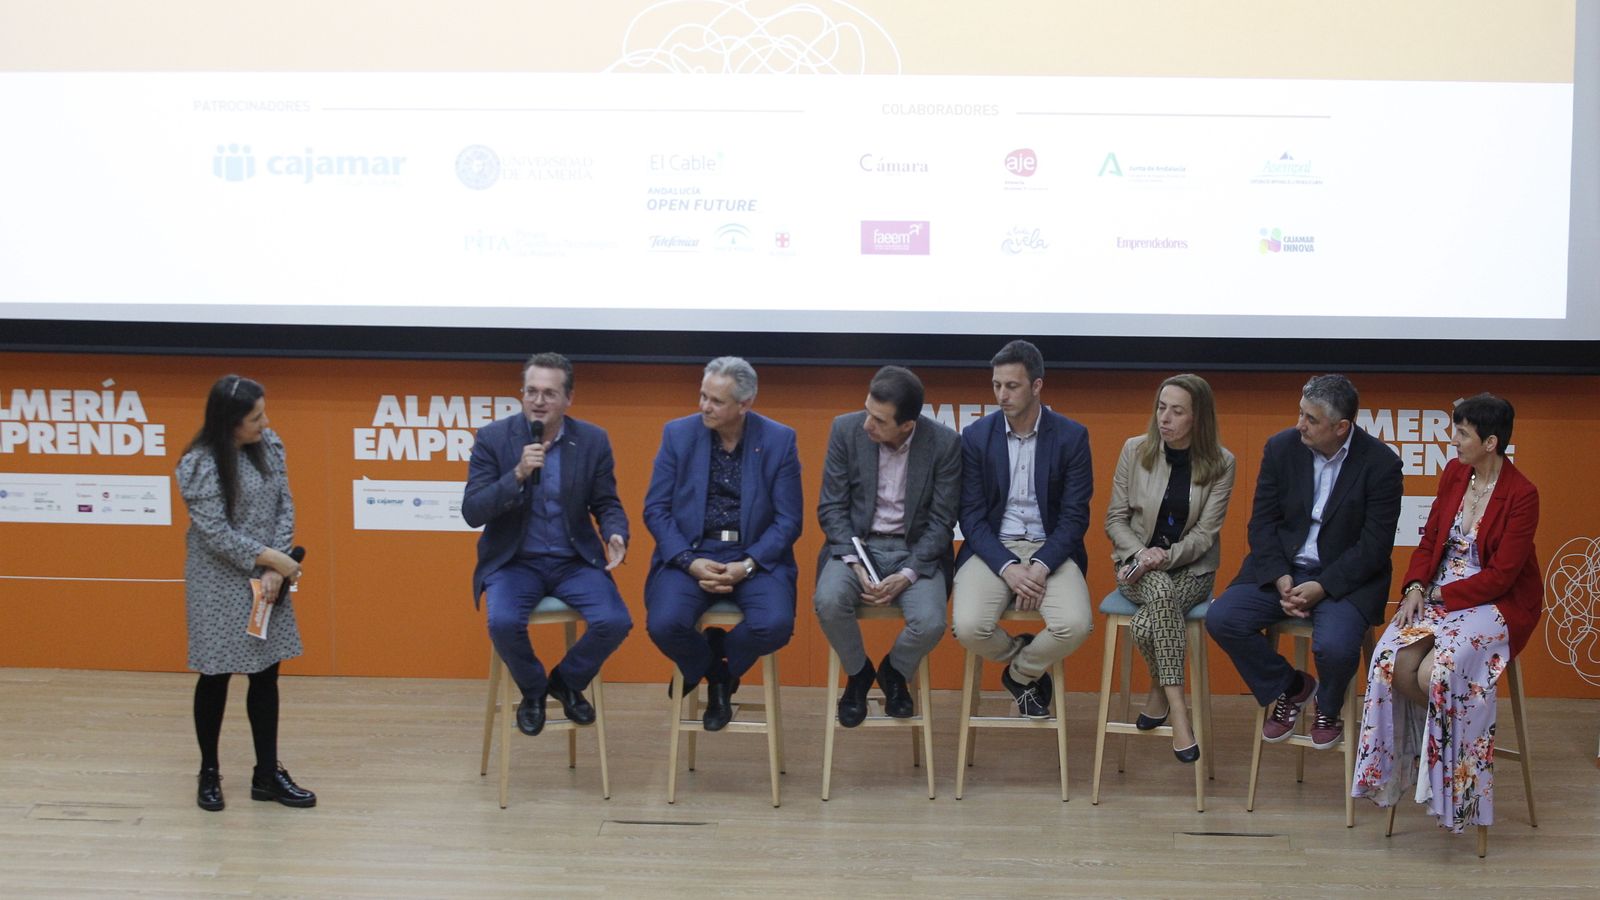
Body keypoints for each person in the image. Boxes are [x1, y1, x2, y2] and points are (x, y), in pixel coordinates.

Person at [1353, 393, 1541, 833]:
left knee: (1438, 674)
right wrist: (1416, 586)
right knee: (1389, 661)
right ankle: (1433, 752)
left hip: (1496, 601)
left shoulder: (1522, 494)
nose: (1453, 440)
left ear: (1490, 442)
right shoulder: (1455, 474)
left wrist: (1441, 596)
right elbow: (1429, 539)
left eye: (1462, 433)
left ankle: (1455, 768)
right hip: (1439, 590)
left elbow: (1503, 575)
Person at [1207, 374, 1403, 751]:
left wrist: (1323, 587)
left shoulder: (1381, 465)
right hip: (1283, 568)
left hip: (1344, 578)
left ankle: (1328, 706)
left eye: (1311, 419)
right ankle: (1292, 687)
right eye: (1300, 414)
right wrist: (1280, 575)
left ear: (1341, 427)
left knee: (1334, 646)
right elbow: (1262, 523)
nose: (1300, 425)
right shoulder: (1281, 448)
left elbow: (1374, 547)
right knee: (1223, 618)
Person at [463, 353, 632, 739]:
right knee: (503, 622)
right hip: (514, 561)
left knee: (615, 621)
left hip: (573, 560)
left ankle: (566, 681)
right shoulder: (494, 439)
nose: (538, 401)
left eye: (549, 394)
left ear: (568, 399)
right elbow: (473, 511)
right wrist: (518, 474)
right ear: (521, 394)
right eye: (531, 391)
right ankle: (534, 690)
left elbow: (606, 503)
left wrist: (616, 534)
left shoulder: (592, 440)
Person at [644, 357, 804, 731]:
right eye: (702, 396)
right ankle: (718, 673)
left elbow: (788, 521)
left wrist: (747, 565)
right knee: (664, 625)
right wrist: (687, 561)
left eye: (715, 401)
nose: (704, 406)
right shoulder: (678, 434)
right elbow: (655, 509)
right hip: (693, 553)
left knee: (776, 625)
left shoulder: (779, 441)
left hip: (754, 556)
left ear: (744, 405)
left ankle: (713, 665)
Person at [176, 375, 313, 811]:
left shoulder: (269, 446)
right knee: (215, 675)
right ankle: (209, 773)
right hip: (219, 579)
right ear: (230, 422)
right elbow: (215, 533)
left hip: (268, 573)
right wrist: (272, 559)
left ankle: (267, 774)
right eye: (255, 417)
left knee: (266, 672)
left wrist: (275, 567)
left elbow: (284, 505)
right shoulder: (199, 464)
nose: (265, 422)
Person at [951, 340, 1094, 718]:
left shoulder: (1071, 437)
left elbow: (1075, 517)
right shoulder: (976, 437)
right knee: (967, 627)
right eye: (997, 385)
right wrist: (1009, 568)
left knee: (1076, 625)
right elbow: (971, 517)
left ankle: (1019, 674)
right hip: (995, 548)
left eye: (1012, 386)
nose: (1001, 395)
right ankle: (1028, 661)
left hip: (1052, 549)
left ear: (1037, 386)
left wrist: (1041, 566)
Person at [815, 366, 961, 726]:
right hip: (857, 545)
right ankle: (859, 673)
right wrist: (854, 561)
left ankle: (894, 671)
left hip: (915, 552)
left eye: (879, 421)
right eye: (867, 412)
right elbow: (832, 507)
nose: (868, 425)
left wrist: (910, 573)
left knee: (929, 622)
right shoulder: (845, 430)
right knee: (829, 601)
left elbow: (943, 522)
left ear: (907, 425)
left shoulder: (944, 444)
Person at [1104, 374, 1236, 763]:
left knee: (1149, 622)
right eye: (1161, 408)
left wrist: (1166, 556)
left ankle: (1162, 692)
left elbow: (1206, 534)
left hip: (1191, 570)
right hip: (1135, 568)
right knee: (1158, 592)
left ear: (1198, 418)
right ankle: (1180, 711)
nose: (1165, 418)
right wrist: (1142, 555)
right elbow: (1115, 519)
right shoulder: (1135, 450)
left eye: (1177, 411)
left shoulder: (1221, 463)